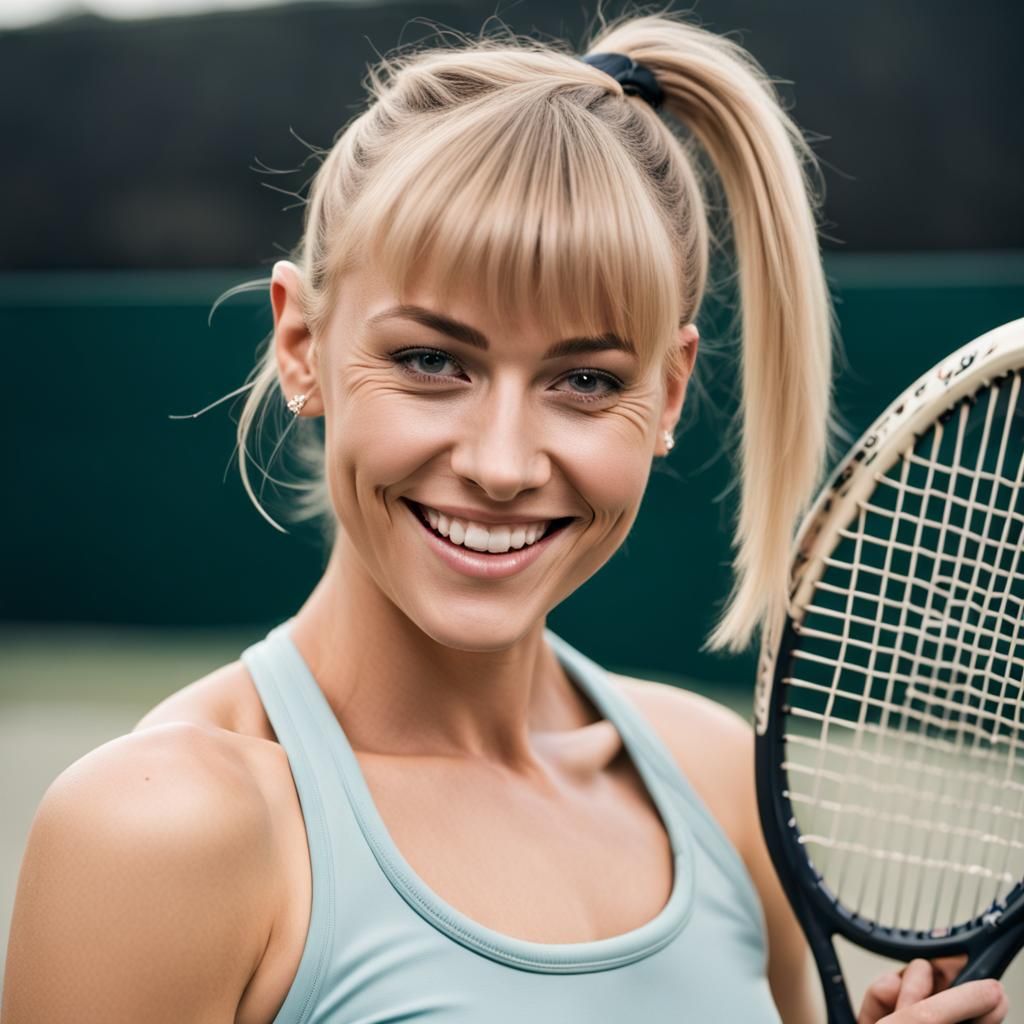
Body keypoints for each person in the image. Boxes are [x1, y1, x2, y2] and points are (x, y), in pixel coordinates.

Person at [2, 9, 1009, 1024]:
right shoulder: (158, 829)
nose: (499, 462)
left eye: (583, 377)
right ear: (302, 345)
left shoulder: (717, 784)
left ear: (664, 395)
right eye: (431, 361)